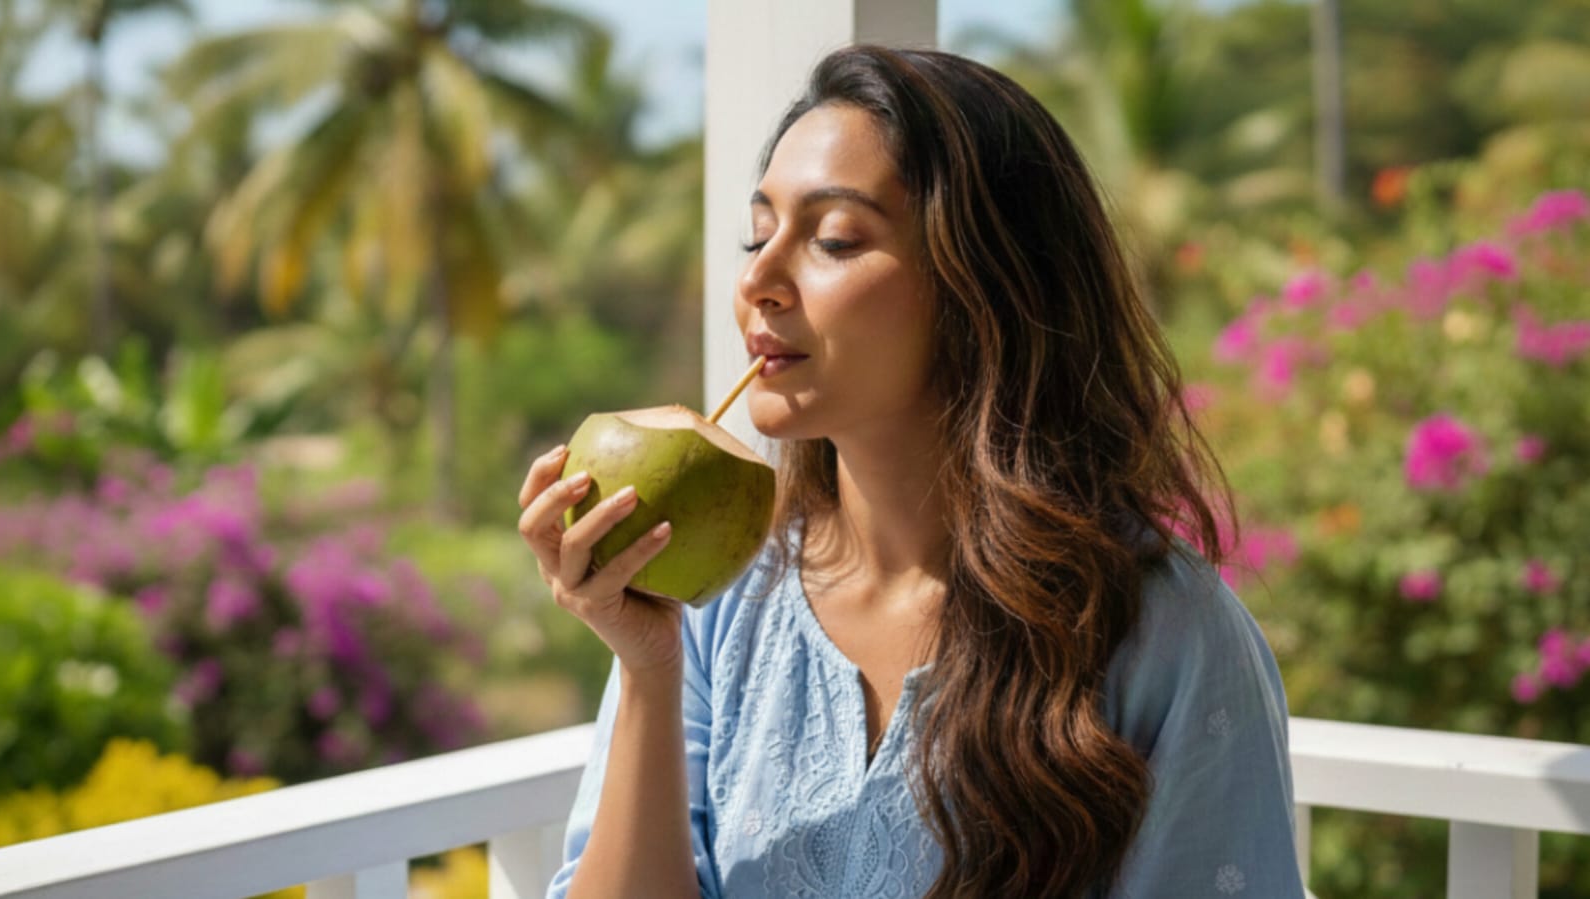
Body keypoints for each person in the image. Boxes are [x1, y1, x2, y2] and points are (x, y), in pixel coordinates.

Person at [519, 44, 1305, 899]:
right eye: (757, 233)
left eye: (833, 238)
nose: (758, 279)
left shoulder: (1164, 636)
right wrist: (645, 665)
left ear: (982, 285)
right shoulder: (723, 601)